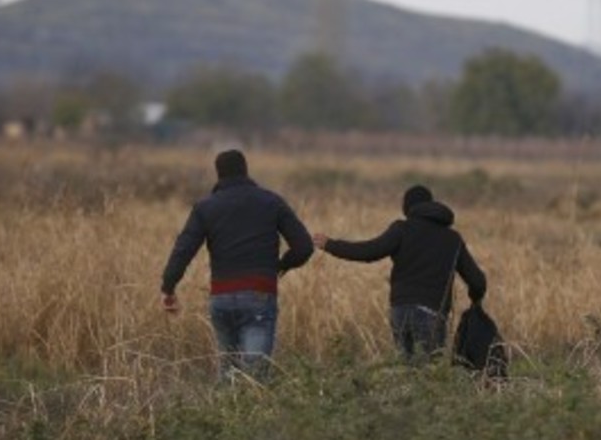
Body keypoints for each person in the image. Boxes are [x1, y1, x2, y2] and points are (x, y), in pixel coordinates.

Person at [160, 149, 313, 381]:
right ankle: (251, 415)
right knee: (255, 378)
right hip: (259, 294)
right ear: (245, 170)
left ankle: (223, 415)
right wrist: (280, 266)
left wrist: (168, 288)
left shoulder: (205, 207)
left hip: (221, 298)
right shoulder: (271, 202)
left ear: (218, 174)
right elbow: (304, 247)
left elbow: (183, 250)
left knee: (229, 373)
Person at [313, 184, 486, 362]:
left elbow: (370, 251)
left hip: (400, 311)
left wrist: (331, 245)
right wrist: (476, 300)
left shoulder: (402, 229)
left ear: (407, 208)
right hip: (432, 314)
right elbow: (478, 281)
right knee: (430, 377)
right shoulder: (452, 239)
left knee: (407, 372)